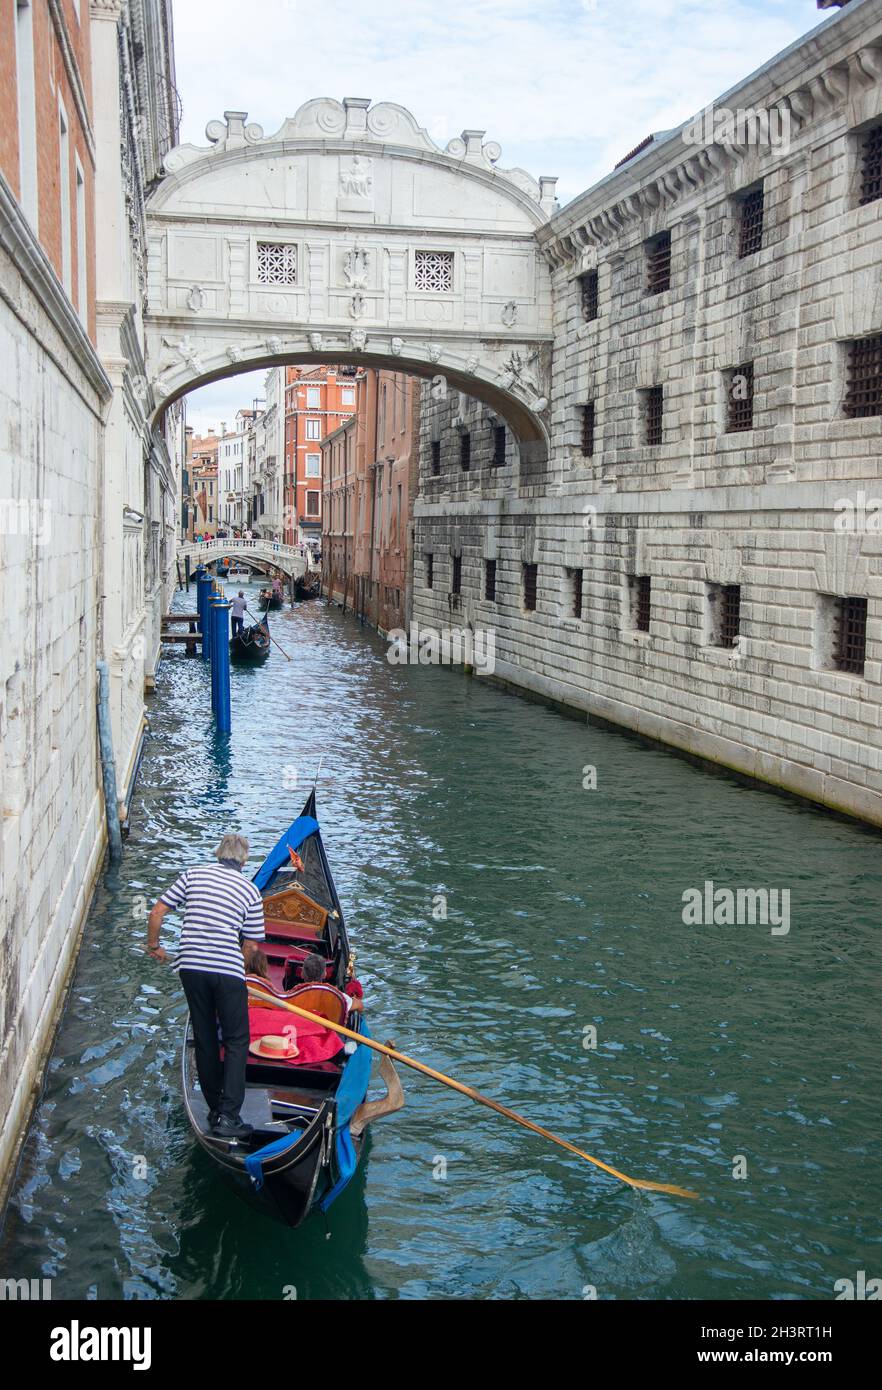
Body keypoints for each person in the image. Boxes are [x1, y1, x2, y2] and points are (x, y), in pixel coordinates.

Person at [145, 833, 265, 1139]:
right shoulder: (250, 891)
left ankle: (214, 1108)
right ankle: (228, 1116)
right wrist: (236, 965)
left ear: (217, 854)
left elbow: (157, 911)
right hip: (227, 973)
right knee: (237, 1040)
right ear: (244, 860)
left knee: (205, 1036)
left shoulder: (193, 875)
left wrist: (155, 945)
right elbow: (251, 947)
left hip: (191, 969)